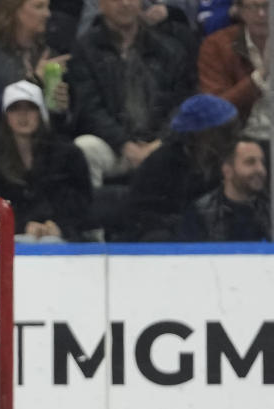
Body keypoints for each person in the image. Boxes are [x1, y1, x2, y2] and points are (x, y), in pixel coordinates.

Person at [68, 0, 194, 188]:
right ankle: (92, 215)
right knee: (85, 148)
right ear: (101, 5)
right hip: (114, 147)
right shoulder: (85, 49)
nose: (125, 3)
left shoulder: (168, 48)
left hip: (161, 144)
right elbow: (89, 107)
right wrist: (124, 145)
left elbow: (182, 101)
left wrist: (159, 143)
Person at [0, 80, 92, 241]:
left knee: (51, 242)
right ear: (6, 115)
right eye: (15, 109)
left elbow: (82, 203)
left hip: (60, 236)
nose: (23, 115)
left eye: (30, 108)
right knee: (24, 241)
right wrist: (21, 226)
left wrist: (59, 227)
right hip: (6, 238)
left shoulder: (69, 154)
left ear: (41, 113)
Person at [120, 93, 240, 241]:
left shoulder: (221, 164)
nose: (231, 139)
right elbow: (142, 216)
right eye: (224, 132)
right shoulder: (161, 163)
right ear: (202, 134)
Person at [0, 0, 71, 131]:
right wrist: (34, 81)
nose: (48, 14)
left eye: (48, 7)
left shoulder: (50, 55)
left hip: (45, 142)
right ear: (15, 11)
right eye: (39, 7)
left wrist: (60, 109)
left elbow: (62, 125)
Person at [198, 0, 270, 142]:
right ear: (240, 10)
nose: (262, 14)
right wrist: (259, 76)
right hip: (242, 140)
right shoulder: (216, 46)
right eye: (254, 7)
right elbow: (215, 109)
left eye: (267, 6)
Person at [180, 137, 271, 241]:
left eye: (262, 162)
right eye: (250, 162)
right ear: (228, 170)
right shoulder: (200, 214)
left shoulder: (269, 210)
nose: (261, 169)